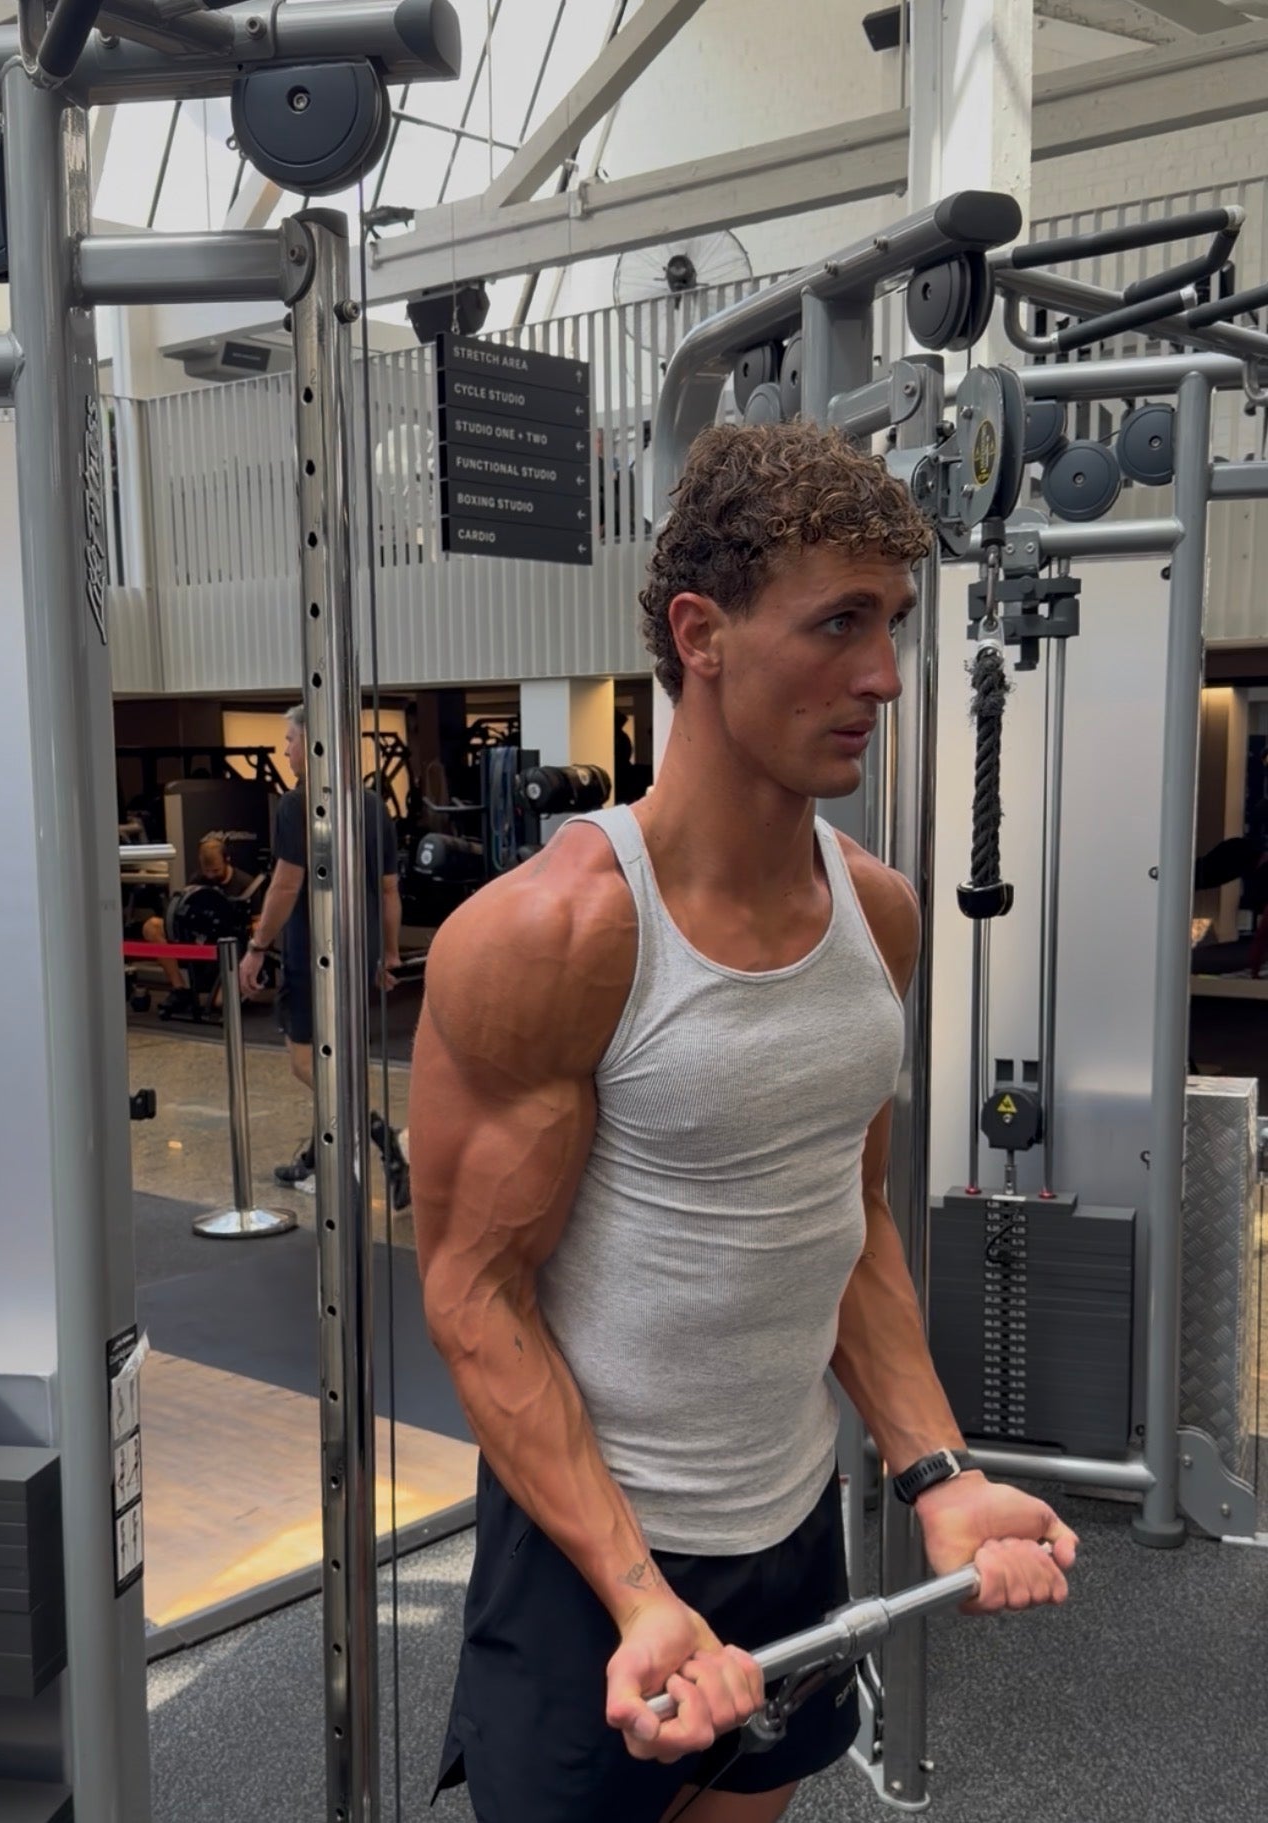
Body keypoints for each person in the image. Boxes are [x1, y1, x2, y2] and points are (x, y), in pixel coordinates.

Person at [409, 422, 1079, 1823]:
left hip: (789, 1520)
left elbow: (849, 1217)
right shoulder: (555, 934)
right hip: (595, 1552)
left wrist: (937, 1468)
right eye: (839, 622)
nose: (883, 674)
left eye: (891, 623)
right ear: (700, 634)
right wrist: (637, 1590)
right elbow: (474, 1293)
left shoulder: (877, 913)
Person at [239, 705, 404, 1197]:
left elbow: (286, 884)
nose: (285, 749)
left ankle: (386, 1140)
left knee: (307, 1063)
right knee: (337, 1060)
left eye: (290, 740)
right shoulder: (372, 805)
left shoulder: (298, 804)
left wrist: (257, 946)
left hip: (314, 955)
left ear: (313, 745)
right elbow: (389, 890)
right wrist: (388, 952)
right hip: (360, 952)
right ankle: (314, 1161)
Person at [143, 837, 255, 1019]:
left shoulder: (245, 883)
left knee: (220, 1003)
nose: (210, 876)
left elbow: (257, 923)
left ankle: (241, 987)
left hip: (232, 946)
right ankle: (180, 990)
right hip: (200, 939)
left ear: (227, 860)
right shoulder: (197, 880)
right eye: (206, 871)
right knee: (152, 927)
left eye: (216, 871)